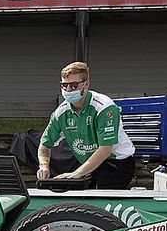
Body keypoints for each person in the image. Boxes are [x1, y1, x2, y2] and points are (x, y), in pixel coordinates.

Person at [37, 61, 135, 189]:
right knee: (79, 197)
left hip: (116, 161)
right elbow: (44, 145)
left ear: (86, 84)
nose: (67, 90)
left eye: (73, 85)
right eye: (64, 85)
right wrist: (43, 166)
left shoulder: (105, 107)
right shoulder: (60, 113)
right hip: (90, 163)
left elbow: (105, 149)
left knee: (100, 200)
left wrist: (76, 174)